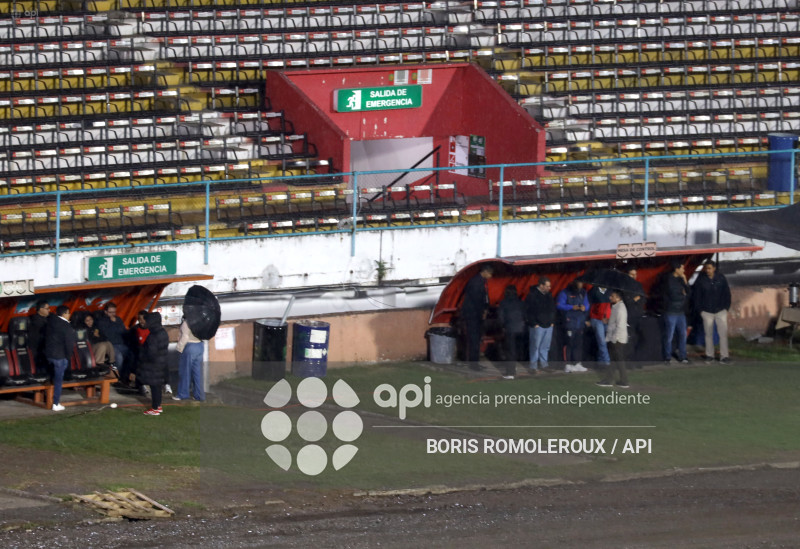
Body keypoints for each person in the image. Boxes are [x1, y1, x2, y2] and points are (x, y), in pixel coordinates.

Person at [691, 260, 732, 364]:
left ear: (714, 268)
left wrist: (726, 308)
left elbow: (727, 294)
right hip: (707, 312)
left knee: (722, 334)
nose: (707, 270)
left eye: (709, 268)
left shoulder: (721, 278)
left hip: (720, 311)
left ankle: (724, 356)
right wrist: (701, 311)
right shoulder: (701, 280)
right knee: (708, 334)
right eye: (706, 268)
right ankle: (710, 355)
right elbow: (697, 296)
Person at [459, 265, 493, 370]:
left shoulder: (479, 281)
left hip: (475, 315)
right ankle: (474, 364)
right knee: (474, 339)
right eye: (490, 274)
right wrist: (482, 311)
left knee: (476, 339)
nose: (491, 276)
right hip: (473, 315)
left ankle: (475, 362)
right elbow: (477, 300)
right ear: (485, 272)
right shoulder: (476, 282)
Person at [44, 305, 77, 412]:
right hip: (60, 356)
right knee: (58, 381)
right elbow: (69, 344)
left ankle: (50, 400)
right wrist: (68, 356)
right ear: (64, 314)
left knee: (52, 378)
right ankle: (55, 403)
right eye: (68, 313)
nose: (69, 315)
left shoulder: (50, 322)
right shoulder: (66, 326)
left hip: (48, 355)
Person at [138, 312, 169, 416]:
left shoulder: (153, 335)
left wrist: (143, 356)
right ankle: (158, 406)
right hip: (161, 362)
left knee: (154, 386)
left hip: (153, 364)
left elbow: (151, 352)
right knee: (158, 386)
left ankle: (155, 408)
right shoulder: (163, 332)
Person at [556, 280, 590, 373]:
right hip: (569, 322)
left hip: (580, 322)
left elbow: (587, 304)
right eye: (579, 283)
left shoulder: (583, 292)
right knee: (569, 343)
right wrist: (571, 307)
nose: (581, 285)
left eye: (582, 283)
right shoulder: (565, 292)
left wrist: (585, 307)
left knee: (578, 344)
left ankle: (577, 363)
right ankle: (567, 364)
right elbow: (559, 305)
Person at [661, 259, 691, 364]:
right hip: (671, 312)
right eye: (682, 268)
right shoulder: (669, 280)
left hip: (680, 312)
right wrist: (682, 294)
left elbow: (688, 293)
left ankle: (683, 356)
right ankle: (667, 357)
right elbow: (674, 295)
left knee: (683, 334)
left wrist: (685, 281)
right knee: (669, 335)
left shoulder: (681, 279)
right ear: (676, 269)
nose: (684, 270)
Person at [598, 290, 629, 388]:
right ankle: (617, 380)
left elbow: (620, 326)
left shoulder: (620, 309)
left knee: (617, 360)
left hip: (617, 338)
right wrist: (608, 321)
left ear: (618, 298)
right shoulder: (617, 307)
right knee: (616, 361)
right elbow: (616, 323)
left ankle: (614, 381)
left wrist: (614, 338)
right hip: (616, 338)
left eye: (612, 296)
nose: (610, 297)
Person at [525, 276, 555, 373]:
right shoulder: (532, 295)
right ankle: (533, 366)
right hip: (537, 326)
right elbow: (528, 311)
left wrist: (552, 322)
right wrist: (534, 323)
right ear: (541, 285)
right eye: (547, 286)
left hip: (548, 325)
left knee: (545, 347)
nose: (549, 288)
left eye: (549, 286)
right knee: (535, 346)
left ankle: (544, 365)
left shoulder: (549, 295)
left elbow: (552, 309)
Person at [497, 285, 526, 379]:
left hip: (510, 329)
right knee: (517, 349)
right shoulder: (520, 302)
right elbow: (525, 314)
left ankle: (510, 372)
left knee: (510, 351)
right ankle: (515, 367)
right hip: (521, 328)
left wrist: (502, 326)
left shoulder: (503, 303)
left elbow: (501, 318)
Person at [97, 302, 130, 382]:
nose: (112, 314)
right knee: (119, 357)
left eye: (114, 312)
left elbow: (123, 331)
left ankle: (126, 376)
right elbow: (107, 333)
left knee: (131, 354)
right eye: (110, 312)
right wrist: (113, 323)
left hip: (121, 343)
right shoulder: (101, 321)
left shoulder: (118, 319)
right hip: (110, 345)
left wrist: (115, 323)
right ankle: (117, 377)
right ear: (106, 312)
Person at [174, 317, 205, 402]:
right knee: (197, 373)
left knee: (185, 372)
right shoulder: (200, 321)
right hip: (200, 346)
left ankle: (182, 394)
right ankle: (199, 395)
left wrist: (179, 348)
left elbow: (185, 336)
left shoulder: (186, 323)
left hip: (189, 346)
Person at [622, 266, 646, 366]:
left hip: (639, 315)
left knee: (639, 338)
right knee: (630, 339)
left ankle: (637, 360)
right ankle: (629, 360)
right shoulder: (623, 286)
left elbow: (643, 298)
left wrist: (637, 300)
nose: (634, 276)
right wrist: (635, 299)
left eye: (635, 274)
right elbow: (626, 301)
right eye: (631, 274)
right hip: (629, 316)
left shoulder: (639, 285)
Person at [588, 285, 612, 368]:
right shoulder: (593, 290)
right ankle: (607, 362)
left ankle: (601, 362)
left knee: (603, 342)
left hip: (607, 319)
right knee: (602, 341)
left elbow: (611, 305)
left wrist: (609, 316)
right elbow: (589, 306)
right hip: (597, 319)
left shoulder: (610, 290)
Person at [28, 300, 50, 372]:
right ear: (41, 309)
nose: (49, 310)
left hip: (44, 349)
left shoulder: (46, 319)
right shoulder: (36, 321)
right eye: (47, 308)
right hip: (38, 351)